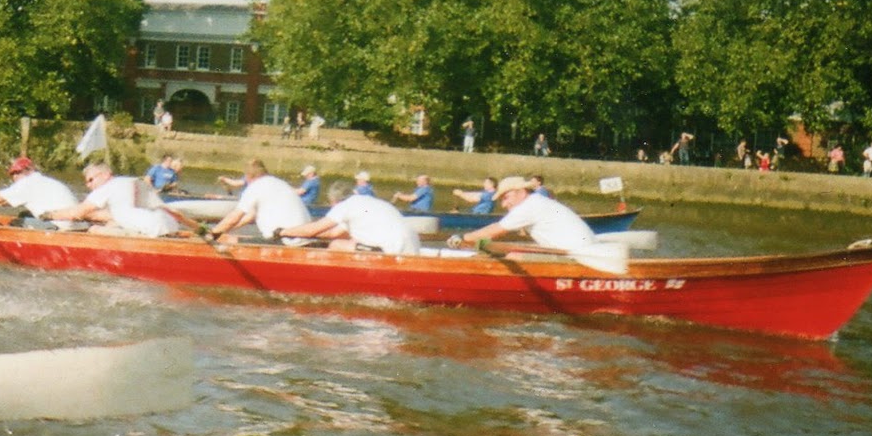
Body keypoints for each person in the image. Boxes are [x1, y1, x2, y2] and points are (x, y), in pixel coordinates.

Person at [447, 176, 593, 254]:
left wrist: (462, 238)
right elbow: (500, 234)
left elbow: (496, 229)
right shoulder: (536, 201)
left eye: (506, 197)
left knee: (514, 255)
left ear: (522, 192)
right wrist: (480, 243)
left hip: (577, 257)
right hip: (576, 252)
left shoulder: (529, 206)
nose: (504, 205)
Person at [278, 183, 419, 254]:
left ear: (334, 201)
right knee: (346, 241)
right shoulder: (370, 201)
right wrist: (302, 234)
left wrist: (283, 232)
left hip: (391, 250)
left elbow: (313, 230)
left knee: (336, 246)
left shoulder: (345, 206)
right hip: (411, 247)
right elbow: (334, 233)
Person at [45, 161, 176, 237]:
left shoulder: (106, 188)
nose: (88, 185)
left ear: (106, 175)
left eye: (91, 180)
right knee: (111, 225)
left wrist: (49, 215)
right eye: (87, 182)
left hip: (152, 233)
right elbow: (116, 216)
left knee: (93, 230)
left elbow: (77, 213)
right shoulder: (132, 181)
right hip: (170, 227)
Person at [205, 159, 311, 241]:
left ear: (248, 176)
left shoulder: (255, 187)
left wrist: (213, 233)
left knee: (232, 242)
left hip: (285, 239)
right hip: (303, 237)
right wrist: (223, 231)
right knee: (231, 238)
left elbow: (235, 216)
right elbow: (250, 216)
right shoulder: (280, 183)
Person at [0, 156, 78, 223]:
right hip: (74, 223)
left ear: (29, 171)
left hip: (59, 225)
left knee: (16, 222)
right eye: (12, 174)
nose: (14, 176)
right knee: (24, 215)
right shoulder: (44, 181)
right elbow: (4, 200)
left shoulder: (27, 183)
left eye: (17, 172)